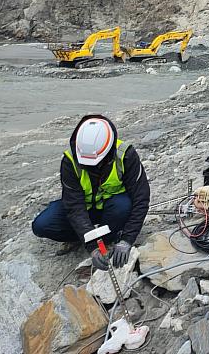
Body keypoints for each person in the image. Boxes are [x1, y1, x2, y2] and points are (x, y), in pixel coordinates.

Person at [32, 115, 150, 269]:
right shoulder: (70, 160)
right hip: (84, 209)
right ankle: (89, 236)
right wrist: (92, 248)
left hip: (112, 210)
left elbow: (141, 199)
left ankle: (110, 236)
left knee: (123, 205)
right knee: (42, 225)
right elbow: (74, 207)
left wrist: (127, 240)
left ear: (108, 152)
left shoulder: (125, 156)